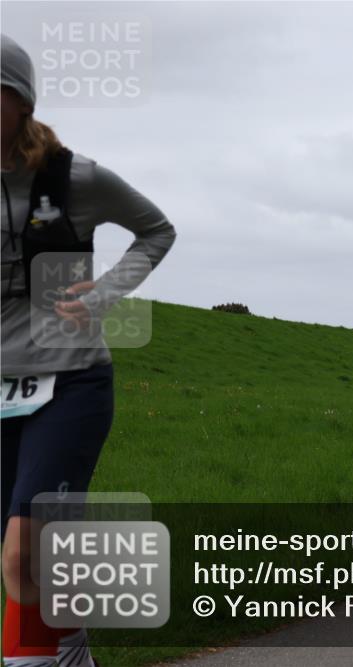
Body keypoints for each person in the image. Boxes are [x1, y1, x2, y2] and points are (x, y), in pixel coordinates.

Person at [1, 34, 177, 667]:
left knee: (22, 554)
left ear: (20, 100)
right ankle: (72, 644)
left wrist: (103, 295)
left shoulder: (76, 177)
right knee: (33, 554)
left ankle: (35, 658)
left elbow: (156, 230)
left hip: (70, 381)